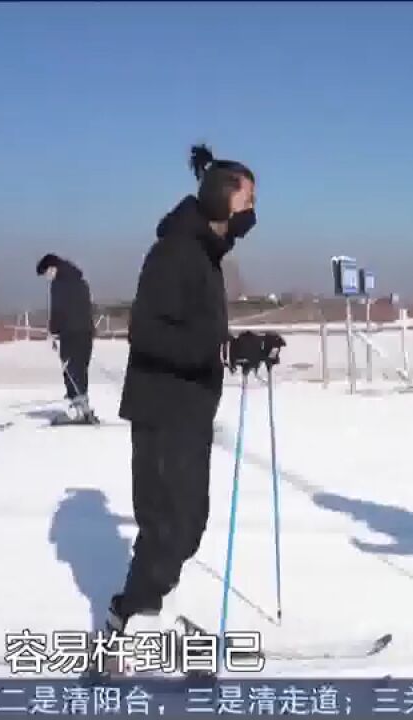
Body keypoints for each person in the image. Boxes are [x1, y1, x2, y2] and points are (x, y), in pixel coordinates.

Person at [103, 144, 284, 662]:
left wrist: (243, 345)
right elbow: (146, 331)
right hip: (163, 408)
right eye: (248, 200)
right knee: (168, 522)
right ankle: (131, 621)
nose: (253, 212)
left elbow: (198, 333)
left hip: (188, 406)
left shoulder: (204, 256)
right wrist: (221, 348)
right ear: (222, 201)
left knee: (188, 520)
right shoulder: (176, 252)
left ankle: (154, 611)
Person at [36, 253, 98, 424]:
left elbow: (58, 310)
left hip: (70, 333)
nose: (47, 278)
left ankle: (77, 409)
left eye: (46, 274)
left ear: (52, 268)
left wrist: (53, 331)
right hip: (85, 332)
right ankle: (83, 406)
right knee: (80, 369)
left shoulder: (59, 284)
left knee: (70, 369)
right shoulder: (80, 281)